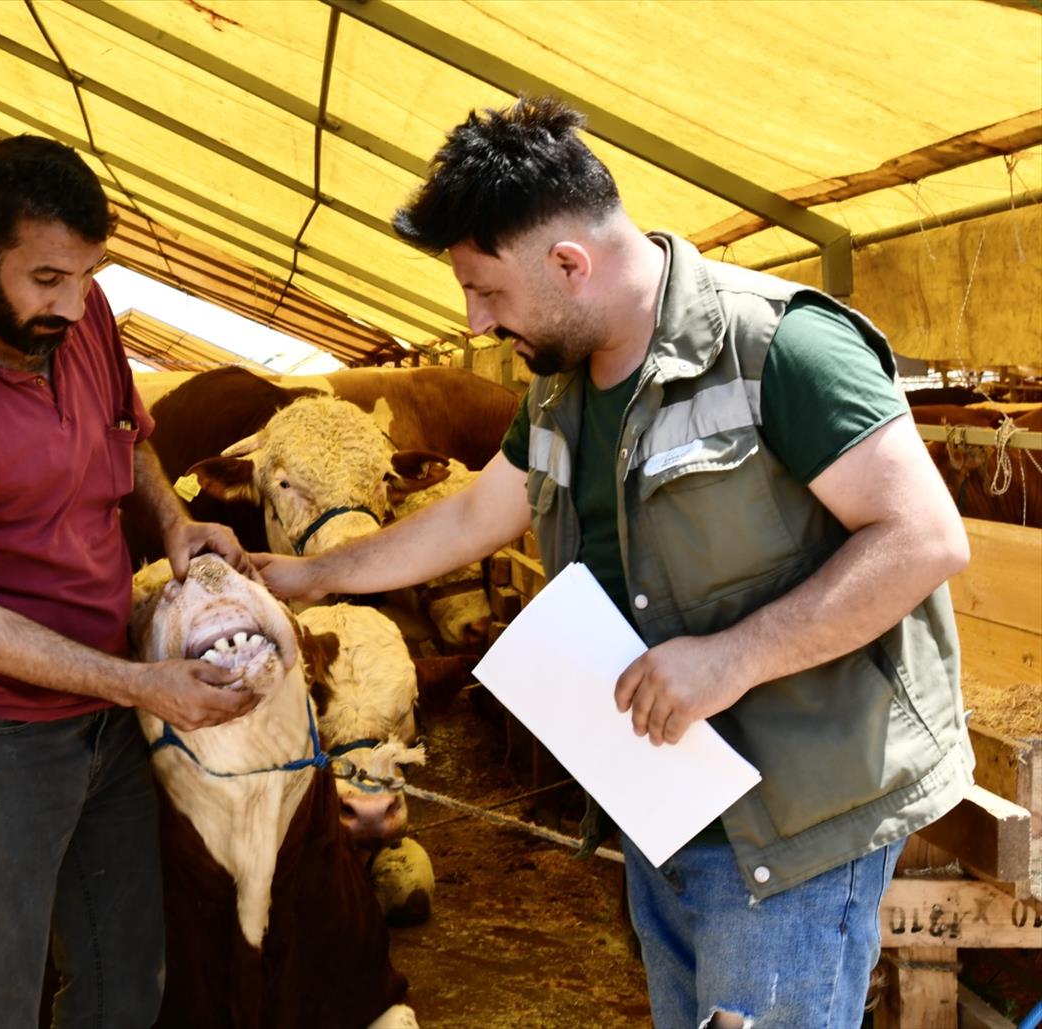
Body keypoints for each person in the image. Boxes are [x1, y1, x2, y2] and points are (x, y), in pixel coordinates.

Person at [256, 98, 975, 1028]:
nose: (474, 322)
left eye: (488, 292)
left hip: (791, 828)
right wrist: (309, 576)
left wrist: (732, 657)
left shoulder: (776, 345)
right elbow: (478, 511)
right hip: (664, 804)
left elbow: (923, 539)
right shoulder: (557, 390)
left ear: (568, 263)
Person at [0, 135, 259, 1028]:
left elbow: (126, 428)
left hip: (105, 716)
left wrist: (175, 519)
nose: (72, 304)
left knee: (125, 984)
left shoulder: (85, 310)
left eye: (89, 273)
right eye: (46, 279)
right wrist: (145, 683)